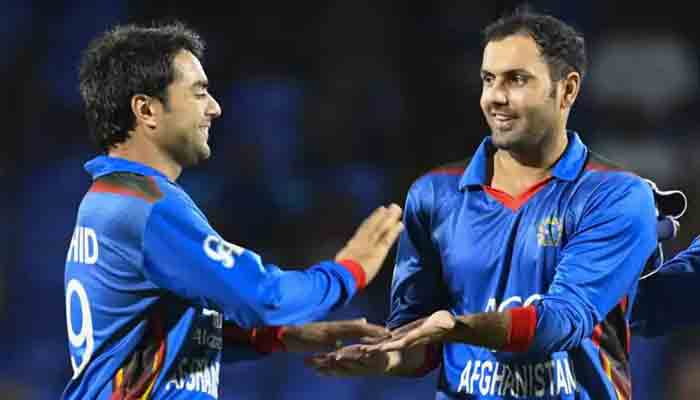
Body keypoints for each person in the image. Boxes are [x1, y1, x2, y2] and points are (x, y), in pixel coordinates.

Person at [307, 10, 659, 400]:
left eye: (517, 80)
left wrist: (457, 327)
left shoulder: (616, 196)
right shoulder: (433, 194)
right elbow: (419, 344)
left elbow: (561, 322)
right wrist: (386, 359)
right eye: (489, 79)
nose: (496, 97)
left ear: (567, 90)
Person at [63, 21, 403, 399]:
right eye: (199, 92)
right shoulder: (146, 207)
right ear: (147, 110)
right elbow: (262, 296)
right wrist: (347, 272)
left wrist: (281, 337)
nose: (215, 108)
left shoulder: (110, 200)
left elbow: (153, 336)